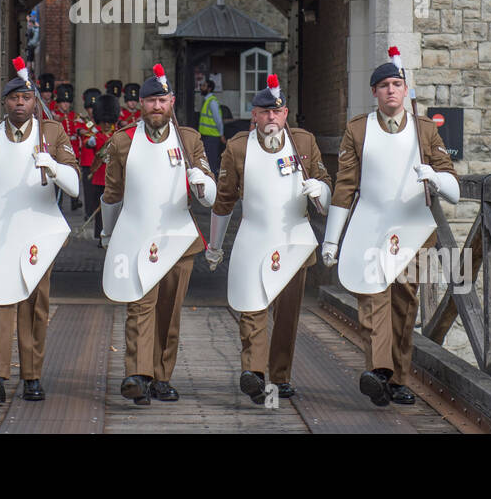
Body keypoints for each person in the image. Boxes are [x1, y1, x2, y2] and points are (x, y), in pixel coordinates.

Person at [321, 60, 459, 407]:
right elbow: (345, 187)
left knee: (404, 303)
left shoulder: (425, 130)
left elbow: (453, 185)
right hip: (371, 226)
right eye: (384, 86)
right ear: (374, 93)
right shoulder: (358, 130)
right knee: (372, 298)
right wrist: (332, 240)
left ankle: (397, 379)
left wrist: (435, 176)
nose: (391, 90)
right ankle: (379, 371)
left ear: (404, 89)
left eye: (396, 84)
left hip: (413, 230)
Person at [206, 74, 332, 404]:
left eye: (276, 112)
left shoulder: (303, 143)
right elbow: (224, 200)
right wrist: (215, 245)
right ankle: (254, 372)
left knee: (287, 313)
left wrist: (322, 191)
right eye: (263, 112)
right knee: (253, 306)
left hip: (295, 240)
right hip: (254, 237)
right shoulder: (236, 148)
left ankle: (280, 375)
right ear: (254, 115)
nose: (270, 118)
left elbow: (325, 187)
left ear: (285, 113)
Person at [101, 64, 217, 405]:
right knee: (140, 308)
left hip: (178, 241)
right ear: (141, 104)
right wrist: (109, 236)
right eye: (150, 101)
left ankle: (161, 377)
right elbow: (112, 195)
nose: (156, 107)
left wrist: (202, 184)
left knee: (169, 312)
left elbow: (210, 193)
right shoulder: (122, 142)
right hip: (137, 237)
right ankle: (137, 375)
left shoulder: (190, 140)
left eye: (162, 100)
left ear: (172, 102)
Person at [0, 62, 80, 404]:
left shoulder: (53, 134)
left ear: (34, 102)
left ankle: (32, 376)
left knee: (34, 305)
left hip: (37, 231)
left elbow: (74, 185)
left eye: (26, 97)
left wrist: (54, 167)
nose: (20, 103)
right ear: (5, 103)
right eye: (14, 98)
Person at [82, 92, 121, 242]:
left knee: (113, 208)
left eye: (108, 121)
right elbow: (87, 143)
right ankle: (99, 235)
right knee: (98, 210)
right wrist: (90, 141)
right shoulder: (95, 135)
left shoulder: (116, 135)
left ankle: (112, 234)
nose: (105, 124)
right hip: (98, 176)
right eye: (103, 121)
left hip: (113, 177)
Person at [197, 77, 226, 177]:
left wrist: (221, 134)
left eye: (204, 86)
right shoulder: (207, 101)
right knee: (207, 161)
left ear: (209, 89)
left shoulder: (211, 101)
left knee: (211, 162)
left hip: (212, 137)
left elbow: (218, 120)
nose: (201, 87)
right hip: (206, 136)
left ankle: (214, 183)